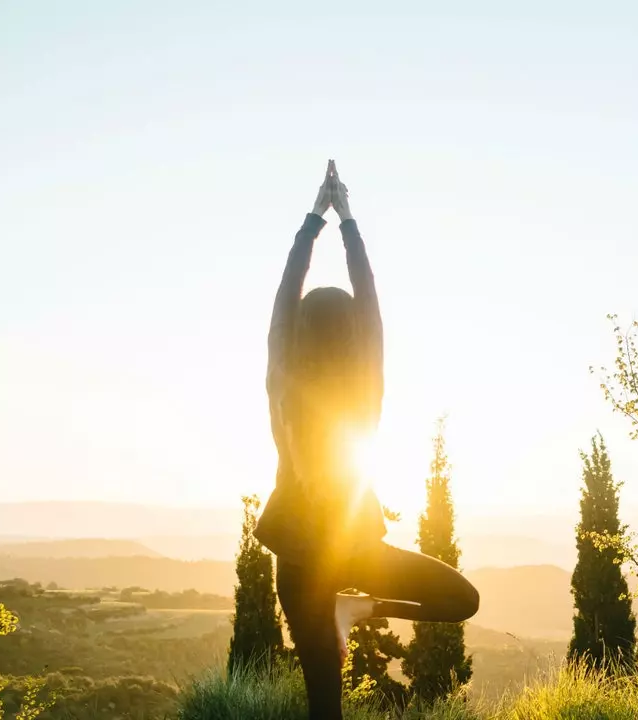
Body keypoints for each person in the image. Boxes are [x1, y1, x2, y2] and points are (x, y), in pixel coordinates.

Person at [254, 160, 479, 719]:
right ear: (353, 337)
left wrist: (315, 220)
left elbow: (286, 298)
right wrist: (347, 218)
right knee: (461, 601)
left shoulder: (283, 380)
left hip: (301, 565)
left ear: (300, 336)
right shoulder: (364, 388)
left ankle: (350, 609)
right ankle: (360, 606)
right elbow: (371, 305)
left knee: (325, 711)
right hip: (354, 552)